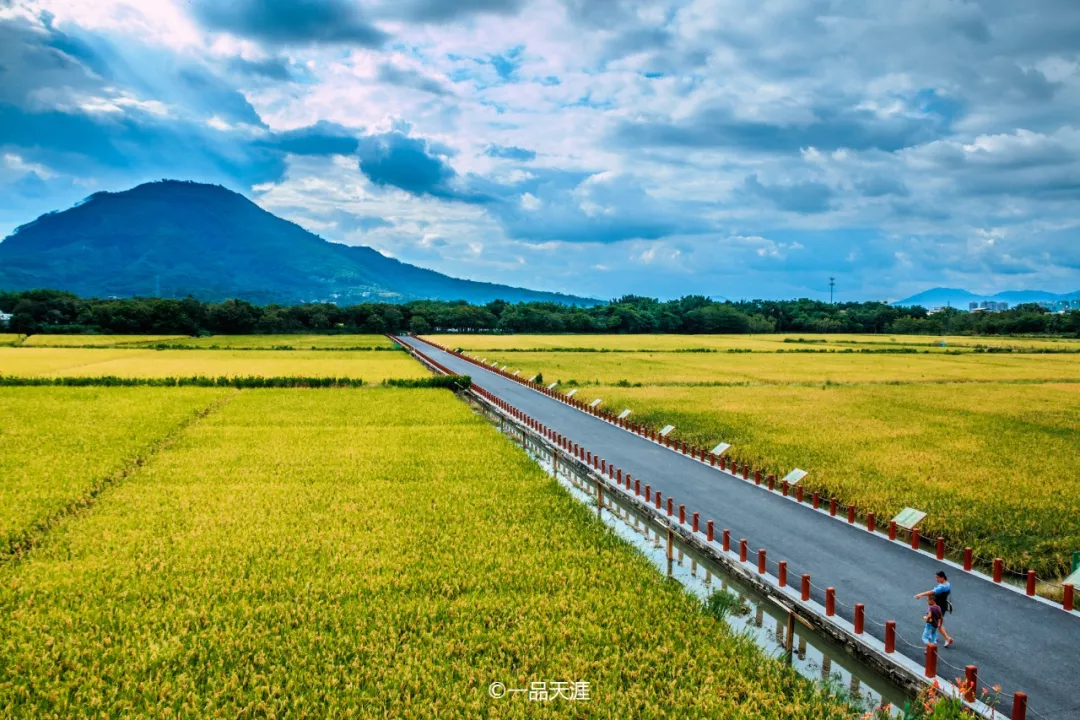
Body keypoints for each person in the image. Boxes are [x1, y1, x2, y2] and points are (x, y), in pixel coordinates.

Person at [915, 571, 954, 647]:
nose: (936, 579)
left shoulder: (942, 587)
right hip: (943, 606)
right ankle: (935, 635)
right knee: (938, 623)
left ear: (942, 577)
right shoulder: (947, 584)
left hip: (937, 608)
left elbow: (931, 592)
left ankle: (948, 638)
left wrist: (920, 594)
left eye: (937, 577)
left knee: (937, 624)